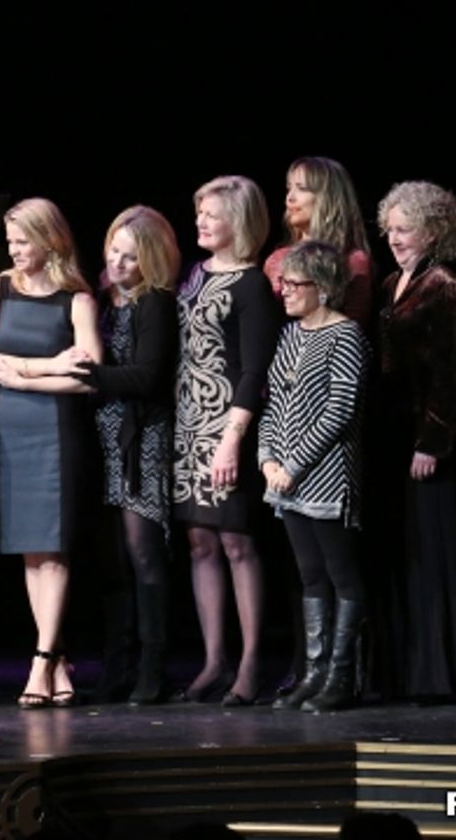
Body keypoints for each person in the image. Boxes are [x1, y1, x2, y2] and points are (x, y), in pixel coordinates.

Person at [0, 197, 102, 709]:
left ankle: (42, 659)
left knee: (55, 546)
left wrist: (20, 371)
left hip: (56, 431)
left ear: (50, 241)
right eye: (10, 241)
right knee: (31, 548)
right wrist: (48, 366)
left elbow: (88, 378)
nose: (14, 250)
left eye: (23, 241)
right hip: (11, 426)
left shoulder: (78, 300)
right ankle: (59, 661)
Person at [63, 206, 180, 705]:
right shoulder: (104, 301)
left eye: (131, 256)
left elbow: (146, 377)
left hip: (143, 437)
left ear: (151, 260)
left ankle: (153, 669)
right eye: (114, 251)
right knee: (112, 560)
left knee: (144, 553)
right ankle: (117, 666)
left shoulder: (154, 304)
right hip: (105, 438)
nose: (119, 262)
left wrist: (86, 375)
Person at [172, 175, 281, 706]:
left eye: (212, 214)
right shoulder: (193, 275)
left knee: (238, 541)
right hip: (188, 425)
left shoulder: (253, 284)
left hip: (230, 424)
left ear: (239, 220)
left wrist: (231, 439)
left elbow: (255, 369)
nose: (202, 222)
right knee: (200, 542)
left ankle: (251, 661)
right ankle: (214, 659)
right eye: (200, 213)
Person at [371, 180, 456, 701]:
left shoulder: (445, 286)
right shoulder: (392, 280)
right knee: (397, 553)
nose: (394, 238)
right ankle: (400, 671)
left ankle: (437, 674)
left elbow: (449, 373)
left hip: (423, 441)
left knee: (430, 552)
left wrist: (432, 442)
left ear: (434, 231)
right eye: (389, 228)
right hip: (387, 437)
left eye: (405, 228)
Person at [258, 241, 372, 712]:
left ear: (323, 288)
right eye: (283, 282)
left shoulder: (346, 336)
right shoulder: (290, 334)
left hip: (324, 477)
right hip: (284, 479)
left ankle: (341, 679)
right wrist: (266, 458)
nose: (283, 291)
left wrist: (294, 464)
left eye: (294, 283)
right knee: (309, 576)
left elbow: (340, 410)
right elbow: (273, 401)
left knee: (340, 573)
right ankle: (315, 672)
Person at [263, 157, 375, 329]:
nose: (289, 198)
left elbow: (353, 328)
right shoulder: (276, 260)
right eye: (289, 188)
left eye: (301, 188)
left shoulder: (352, 260)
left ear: (327, 198)